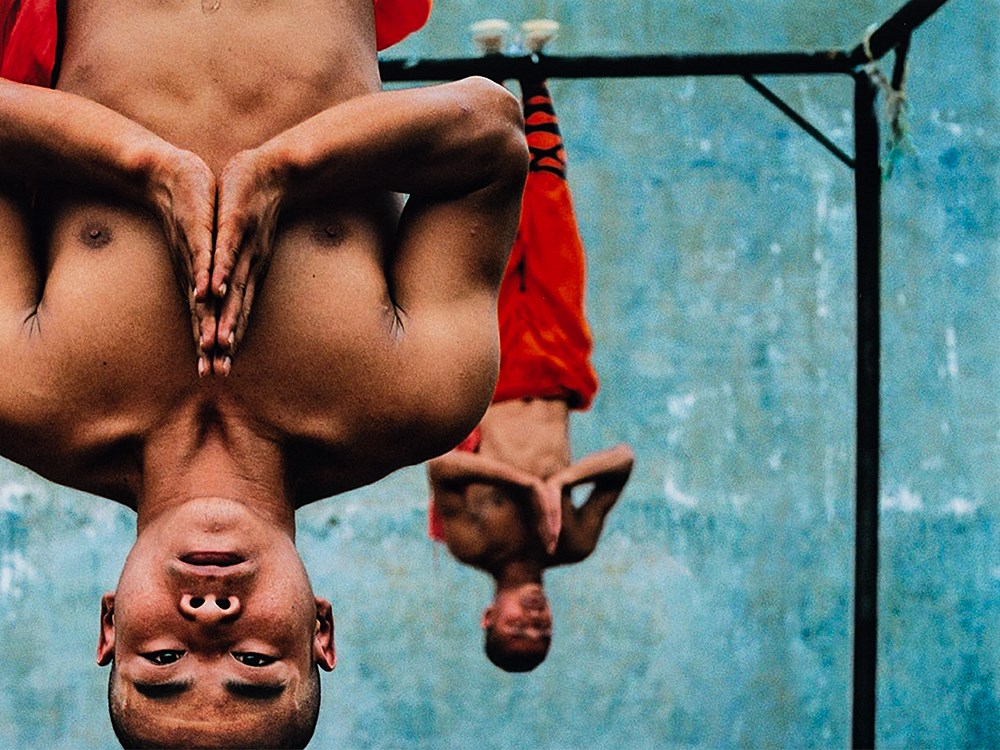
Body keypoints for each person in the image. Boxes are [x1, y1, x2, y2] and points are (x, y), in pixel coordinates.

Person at [0, 1, 528, 746]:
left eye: (162, 660)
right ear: (320, 631)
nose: (209, 619)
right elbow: (492, 134)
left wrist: (146, 166)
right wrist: (285, 170)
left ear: (110, 624)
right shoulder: (419, 397)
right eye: (252, 659)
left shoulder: (23, 396)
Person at [425, 79, 634, 673]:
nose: (534, 618)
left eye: (519, 626)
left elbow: (443, 466)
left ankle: (484, 99)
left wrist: (520, 483)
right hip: (557, 369)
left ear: (489, 617)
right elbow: (621, 459)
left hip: (491, 368)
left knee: (488, 236)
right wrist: (560, 484)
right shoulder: (572, 542)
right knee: (552, 231)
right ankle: (536, 85)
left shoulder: (473, 546)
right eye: (542, 630)